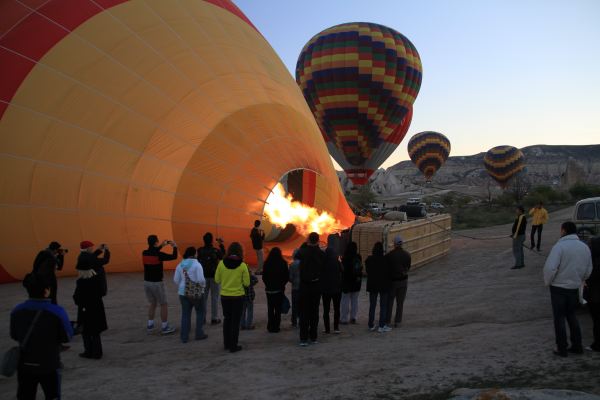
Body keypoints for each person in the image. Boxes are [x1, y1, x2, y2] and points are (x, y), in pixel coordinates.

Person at [10, 272, 72, 400]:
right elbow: (66, 336)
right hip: (49, 364)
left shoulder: (17, 310)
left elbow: (14, 335)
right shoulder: (57, 311)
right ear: (47, 290)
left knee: (25, 396)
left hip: (25, 364)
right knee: (52, 395)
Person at [543, 221, 593, 357]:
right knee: (571, 315)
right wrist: (580, 279)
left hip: (558, 287)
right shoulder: (584, 247)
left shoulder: (559, 247)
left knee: (559, 318)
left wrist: (548, 282)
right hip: (574, 287)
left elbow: (550, 268)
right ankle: (577, 346)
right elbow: (588, 268)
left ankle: (562, 348)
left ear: (563, 230)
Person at [73, 241, 110, 359]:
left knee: (86, 332)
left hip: (84, 310)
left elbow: (76, 297)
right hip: (96, 308)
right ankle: (97, 352)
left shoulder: (80, 281)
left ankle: (88, 351)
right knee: (95, 332)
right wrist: (106, 251)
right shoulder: (96, 280)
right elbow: (102, 260)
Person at [214, 242, 250, 353]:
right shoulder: (243, 265)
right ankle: (234, 345)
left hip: (225, 296)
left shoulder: (221, 264)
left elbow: (217, 280)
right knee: (235, 321)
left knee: (227, 319)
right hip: (238, 297)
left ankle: (227, 343)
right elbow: (247, 283)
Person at [142, 234, 178, 335]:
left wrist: (162, 245)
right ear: (156, 242)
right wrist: (174, 247)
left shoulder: (144, 253)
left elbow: (154, 251)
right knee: (163, 304)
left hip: (146, 282)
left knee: (153, 303)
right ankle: (165, 326)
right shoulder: (159, 255)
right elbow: (174, 256)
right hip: (157, 283)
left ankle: (150, 324)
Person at [297, 232, 326, 346]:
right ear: (318, 240)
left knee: (304, 312)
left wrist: (305, 243)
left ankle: (303, 338)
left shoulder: (302, 252)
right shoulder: (321, 254)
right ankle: (313, 337)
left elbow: (297, 257)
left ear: (309, 240)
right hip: (316, 286)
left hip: (304, 286)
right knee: (314, 312)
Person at [173, 247, 207, 343]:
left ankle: (184, 336)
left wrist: (183, 285)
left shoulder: (180, 265)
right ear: (194, 254)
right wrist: (202, 287)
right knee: (200, 312)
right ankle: (199, 333)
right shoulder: (197, 265)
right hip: (196, 292)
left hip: (183, 293)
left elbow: (176, 280)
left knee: (185, 314)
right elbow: (201, 280)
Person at [197, 232, 225, 325]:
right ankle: (214, 318)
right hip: (214, 276)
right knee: (215, 297)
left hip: (203, 276)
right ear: (212, 240)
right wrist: (221, 245)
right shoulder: (215, 251)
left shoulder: (200, 250)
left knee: (203, 298)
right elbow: (223, 256)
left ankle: (203, 317)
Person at [385, 235, 411, 328]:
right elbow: (408, 268)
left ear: (394, 244)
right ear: (402, 243)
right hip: (403, 281)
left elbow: (386, 269)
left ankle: (387, 320)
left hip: (392, 282)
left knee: (390, 302)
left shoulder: (389, 255)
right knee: (400, 303)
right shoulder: (407, 255)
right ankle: (398, 321)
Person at [365, 242, 391, 333]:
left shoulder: (369, 260)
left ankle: (371, 325)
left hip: (373, 285)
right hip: (383, 285)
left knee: (372, 306)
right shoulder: (386, 260)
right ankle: (381, 325)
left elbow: (367, 271)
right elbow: (388, 272)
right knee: (383, 306)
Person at [262, 247, 289, 333]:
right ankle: (276, 327)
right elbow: (286, 277)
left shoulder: (266, 263)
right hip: (279, 290)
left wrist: (268, 285)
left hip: (269, 290)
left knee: (270, 308)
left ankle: (270, 326)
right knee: (278, 309)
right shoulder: (283, 263)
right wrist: (282, 285)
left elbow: (264, 277)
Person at [321, 234, 343, 334]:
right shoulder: (336, 262)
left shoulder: (323, 263)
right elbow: (342, 270)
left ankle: (327, 329)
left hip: (326, 290)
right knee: (337, 309)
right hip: (337, 289)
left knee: (326, 310)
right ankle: (336, 327)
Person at [584, 236, 600, 352]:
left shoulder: (592, 264)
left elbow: (588, 279)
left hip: (595, 297)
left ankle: (597, 345)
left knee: (597, 321)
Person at [340, 242, 362, 324]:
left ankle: (344, 319)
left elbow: (342, 271)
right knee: (354, 301)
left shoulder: (344, 258)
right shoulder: (358, 257)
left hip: (346, 282)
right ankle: (353, 318)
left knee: (345, 301)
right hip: (356, 282)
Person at [288, 246, 304, 328]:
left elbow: (290, 278)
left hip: (295, 287)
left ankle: (294, 321)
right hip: (303, 287)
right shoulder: (305, 263)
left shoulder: (292, 265)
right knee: (302, 305)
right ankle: (302, 320)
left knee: (294, 305)